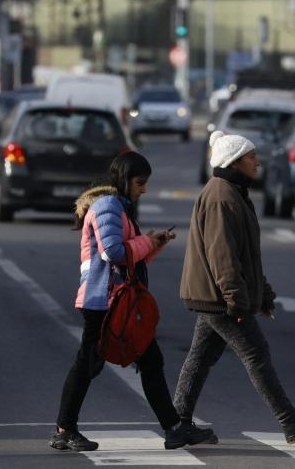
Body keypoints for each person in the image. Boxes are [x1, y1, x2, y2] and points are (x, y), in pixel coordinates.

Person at [173, 130, 295, 445]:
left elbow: (247, 257)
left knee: (200, 358)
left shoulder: (232, 192)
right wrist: (236, 300)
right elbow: (222, 255)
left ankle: (178, 424)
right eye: (251, 157)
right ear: (235, 162)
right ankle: (290, 422)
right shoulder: (221, 197)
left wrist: (264, 295)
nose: (257, 163)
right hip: (219, 297)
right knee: (255, 353)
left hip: (214, 294)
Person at [51, 151, 217, 452]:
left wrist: (153, 243)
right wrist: (146, 242)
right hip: (103, 300)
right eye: (140, 183)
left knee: (148, 361)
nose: (144, 189)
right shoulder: (107, 206)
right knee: (88, 363)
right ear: (124, 179)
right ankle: (65, 429)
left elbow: (130, 256)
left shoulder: (118, 206)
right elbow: (113, 252)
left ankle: (174, 429)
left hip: (115, 298)